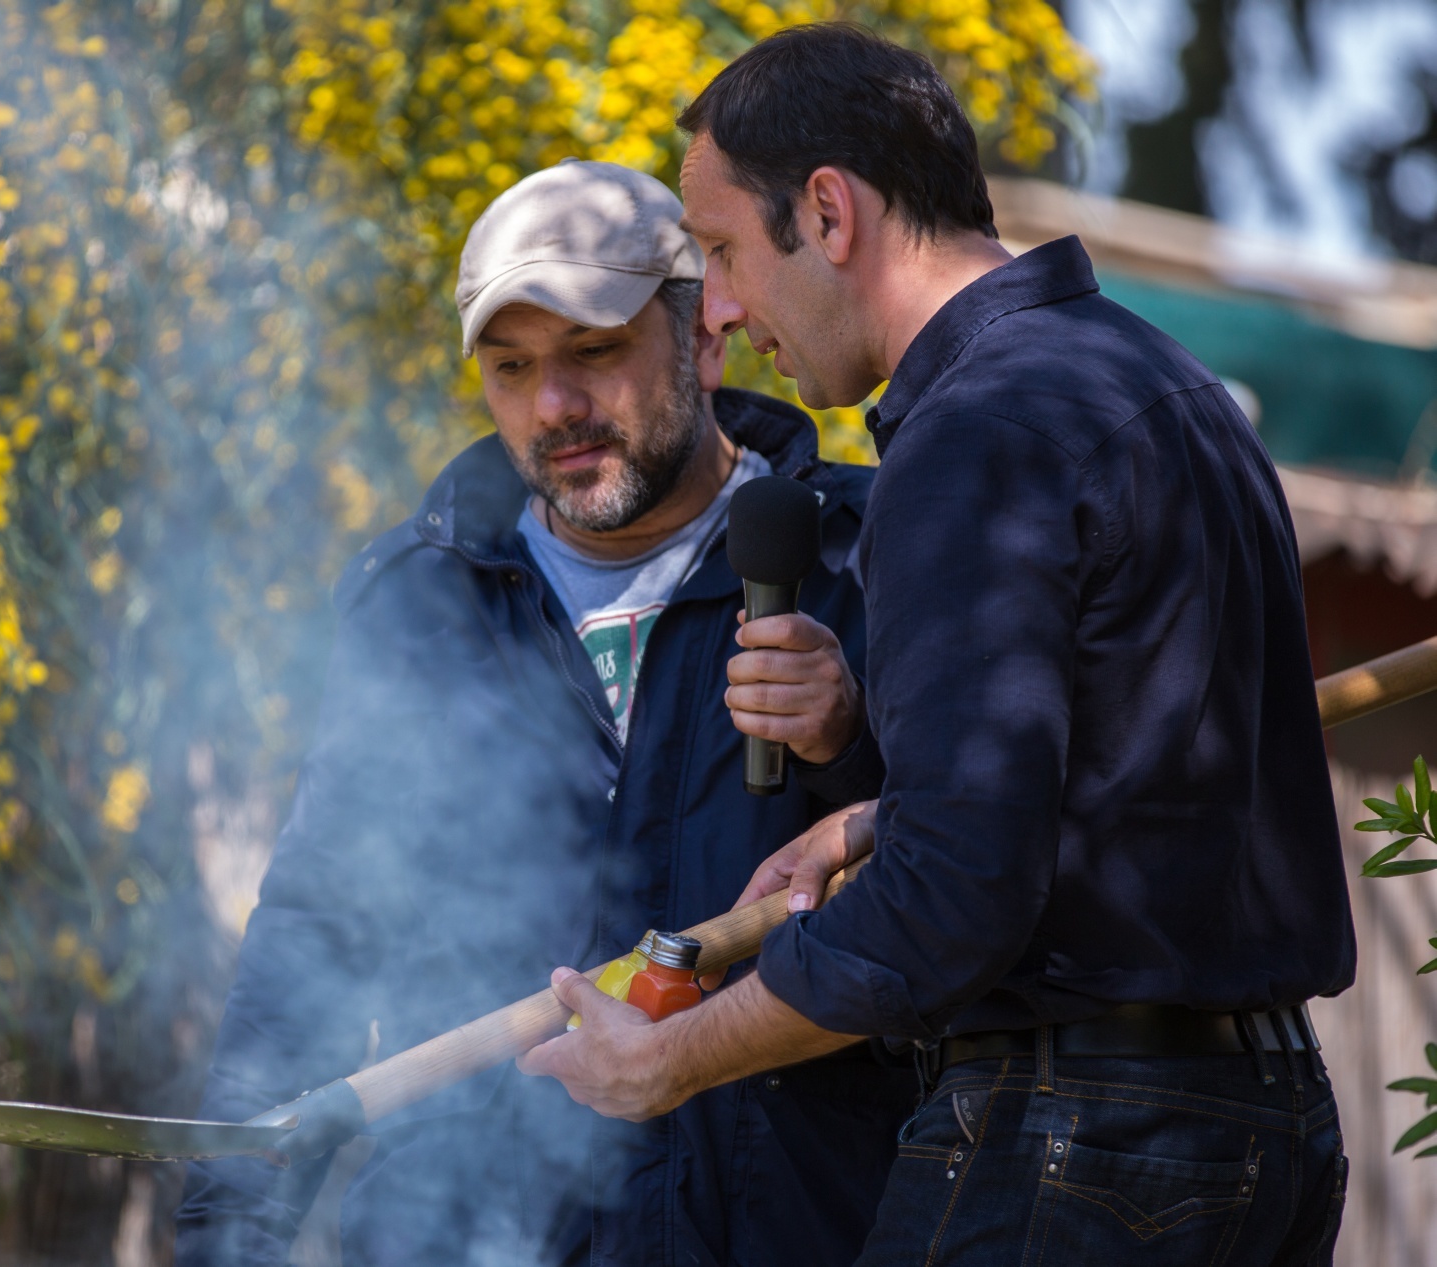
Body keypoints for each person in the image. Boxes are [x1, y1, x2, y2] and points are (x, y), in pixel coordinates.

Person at [519, 25, 1357, 1266]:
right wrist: (865, 782)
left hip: (1078, 1144)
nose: (729, 311)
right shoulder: (1160, 383)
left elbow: (946, 907)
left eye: (724, 252)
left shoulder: (971, 435)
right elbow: (1120, 776)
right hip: (1265, 1132)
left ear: (828, 209)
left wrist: (663, 1062)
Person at [175, 158, 917, 1266]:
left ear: (706, 337)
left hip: (790, 1227)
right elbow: (322, 929)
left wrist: (844, 742)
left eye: (594, 352)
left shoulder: (863, 549)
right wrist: (226, 1231)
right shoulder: (417, 601)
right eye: (511, 367)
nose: (554, 406)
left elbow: (961, 875)